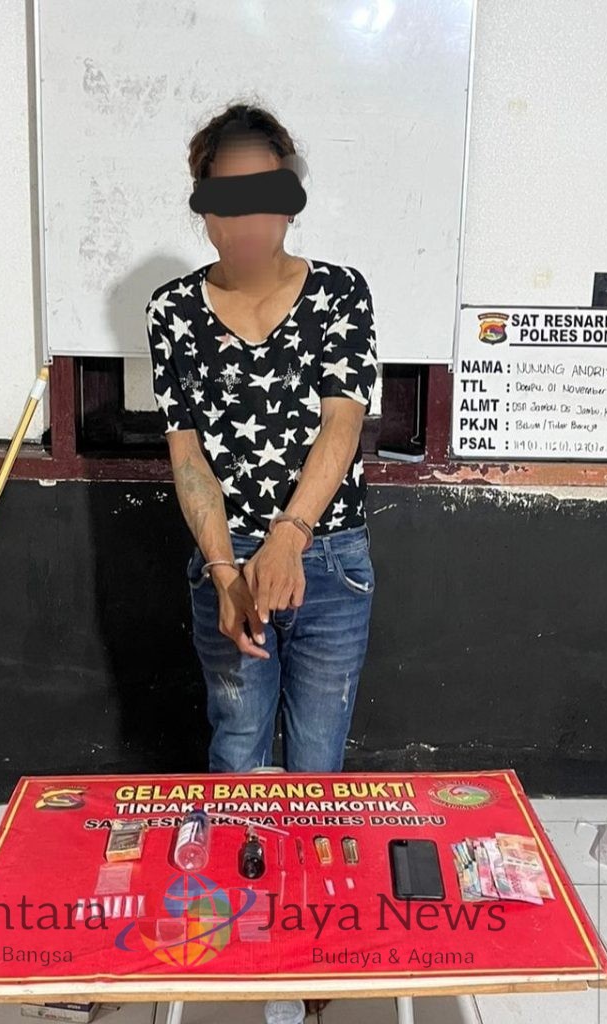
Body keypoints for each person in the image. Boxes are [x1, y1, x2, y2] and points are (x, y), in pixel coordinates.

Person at [145, 102, 378, 778]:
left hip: (329, 558)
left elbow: (343, 421)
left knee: (317, 766)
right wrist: (223, 571)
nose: (246, 219)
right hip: (228, 561)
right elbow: (187, 454)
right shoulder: (171, 311)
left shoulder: (339, 293)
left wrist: (289, 538)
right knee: (237, 753)